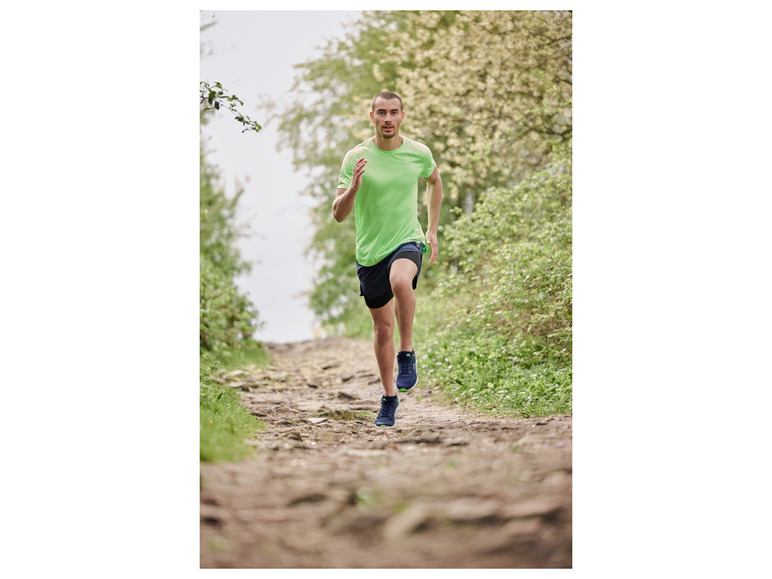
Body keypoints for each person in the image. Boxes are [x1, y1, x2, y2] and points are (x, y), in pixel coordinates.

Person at [333, 91, 443, 427]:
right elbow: (338, 214)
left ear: (403, 116)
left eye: (393, 112)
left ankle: (406, 354)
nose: (388, 119)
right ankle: (389, 397)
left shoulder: (418, 153)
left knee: (401, 280)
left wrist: (432, 230)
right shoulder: (356, 157)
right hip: (370, 253)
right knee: (382, 329)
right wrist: (353, 187)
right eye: (381, 113)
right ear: (372, 117)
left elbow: (434, 182)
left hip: (408, 239)